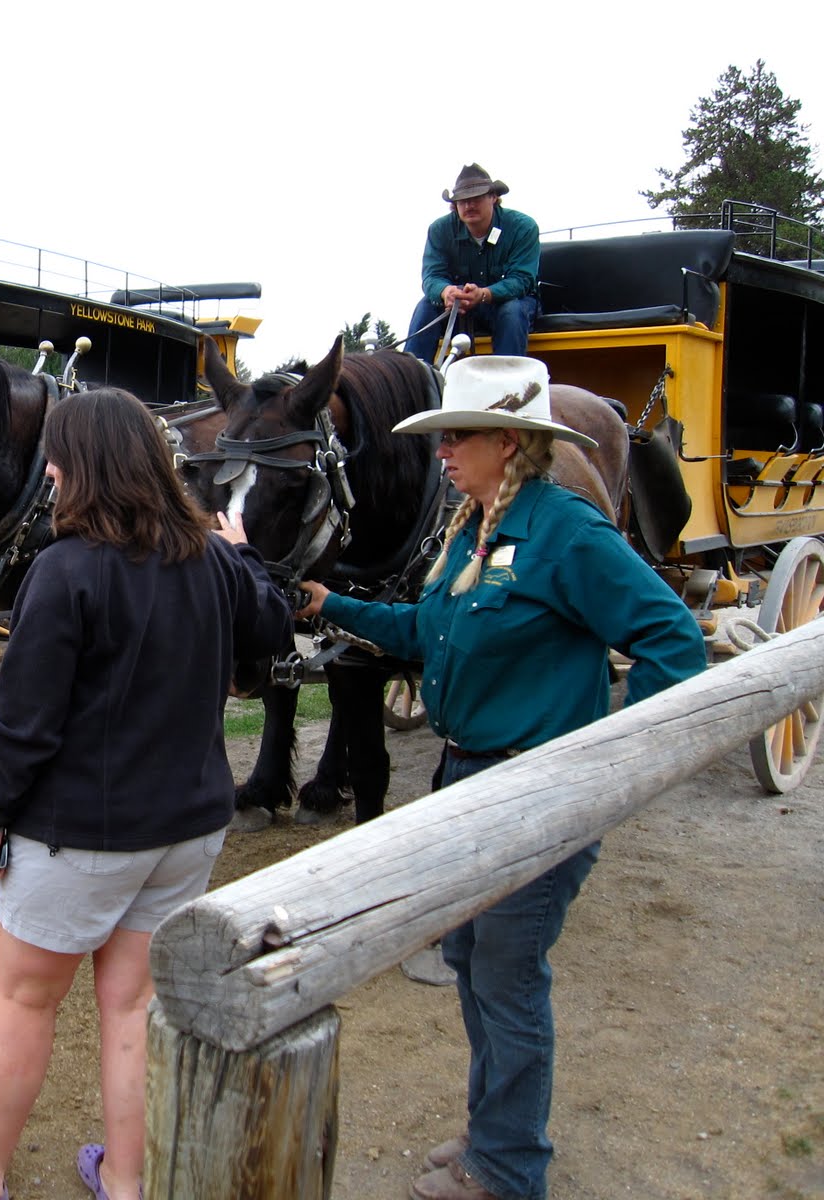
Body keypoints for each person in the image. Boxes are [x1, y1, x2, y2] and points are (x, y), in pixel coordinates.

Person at [297, 356, 705, 1200]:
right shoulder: (476, 525)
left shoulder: (567, 531)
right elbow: (426, 628)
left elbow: (673, 639)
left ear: (509, 443)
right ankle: (494, 1130)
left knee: (507, 978)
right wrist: (330, 604)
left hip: (535, 795)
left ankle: (509, 1168)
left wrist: (611, 765)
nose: (441, 452)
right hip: (466, 783)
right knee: (473, 959)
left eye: (458, 437)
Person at [0, 389, 294, 1200]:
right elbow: (273, 628)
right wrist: (243, 554)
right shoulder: (211, 560)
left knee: (25, 999)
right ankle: (126, 1182)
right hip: (186, 831)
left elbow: (25, 725)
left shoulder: (64, 570)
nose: (49, 471)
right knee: (132, 1006)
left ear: (88, 465)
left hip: (81, 835)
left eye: (57, 457)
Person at [405, 164, 541, 362]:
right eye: (463, 201)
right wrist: (446, 292)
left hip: (508, 304)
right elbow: (432, 276)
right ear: (455, 205)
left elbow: (522, 280)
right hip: (458, 308)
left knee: (512, 310)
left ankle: (508, 377)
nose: (469, 205)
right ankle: (411, 374)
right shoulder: (439, 230)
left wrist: (484, 294)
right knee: (426, 306)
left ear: (493, 197)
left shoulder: (523, 227)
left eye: (477, 198)